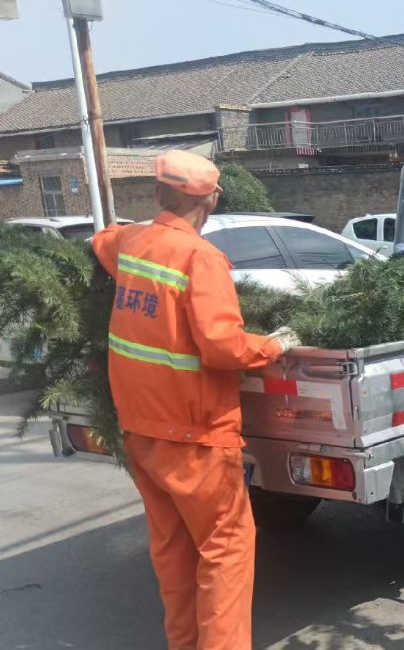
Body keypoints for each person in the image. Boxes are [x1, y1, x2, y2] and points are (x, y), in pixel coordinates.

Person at [92, 150, 301, 650]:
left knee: (174, 552)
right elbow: (223, 347)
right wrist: (274, 345)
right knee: (225, 550)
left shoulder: (133, 243)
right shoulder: (200, 258)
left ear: (158, 193)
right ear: (211, 200)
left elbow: (101, 239)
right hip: (196, 437)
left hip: (140, 431)